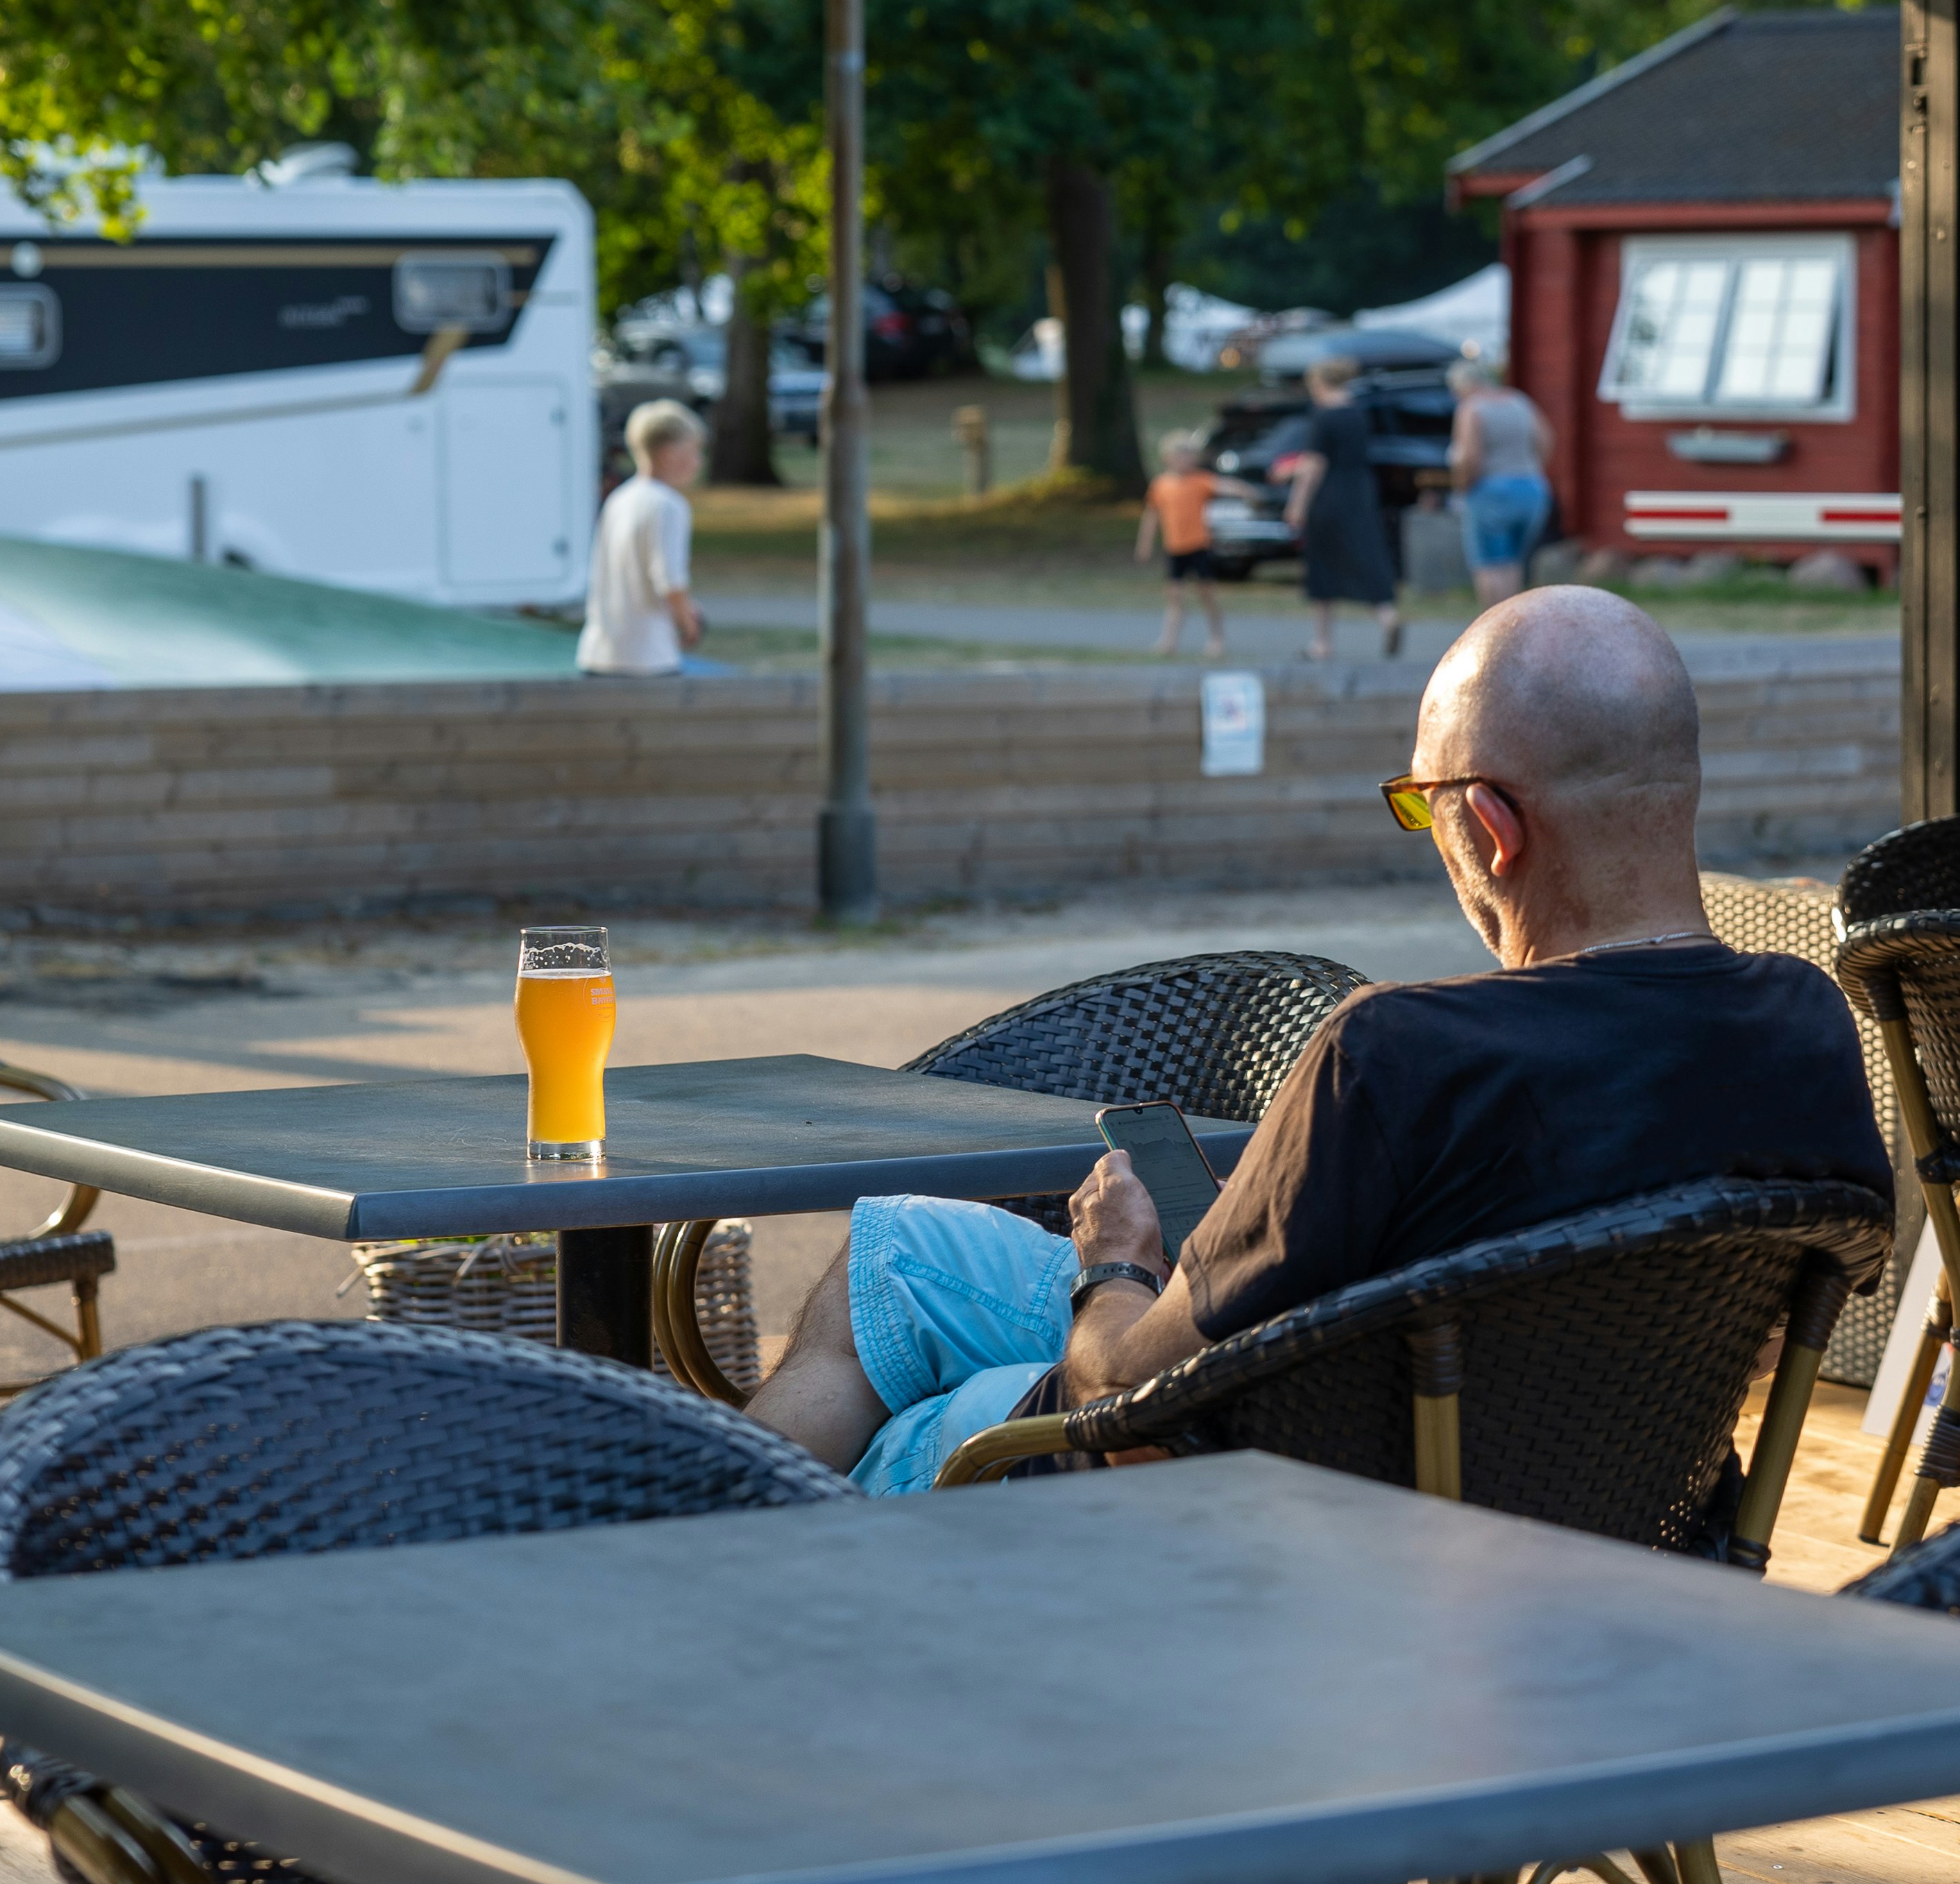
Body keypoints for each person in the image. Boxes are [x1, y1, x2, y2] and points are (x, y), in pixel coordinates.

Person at [741, 584, 1889, 1493]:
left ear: (1491, 829)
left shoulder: (1393, 1053)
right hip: (1592, 1496)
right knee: (894, 1259)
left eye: (1420, 804)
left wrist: (1120, 1260)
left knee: (942, 1406)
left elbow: (1122, 1386)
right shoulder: (1806, 1028)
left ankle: (694, 1608)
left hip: (1295, 1511)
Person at [578, 398, 705, 676]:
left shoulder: (620, 499)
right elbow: (670, 580)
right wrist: (688, 621)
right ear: (671, 454)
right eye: (694, 451)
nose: (698, 462)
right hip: (646, 657)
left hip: (599, 652)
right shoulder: (669, 506)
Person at [1285, 357, 1400, 660]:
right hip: (1360, 492)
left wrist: (1296, 505)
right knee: (1365, 553)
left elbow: (1314, 466)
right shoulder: (1359, 413)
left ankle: (1323, 643)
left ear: (1319, 383)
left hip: (1329, 496)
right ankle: (1387, 615)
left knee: (1322, 563)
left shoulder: (1323, 417)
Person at [1446, 359, 1551, 610]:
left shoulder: (1471, 409)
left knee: (1489, 564)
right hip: (1532, 488)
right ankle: (1513, 623)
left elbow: (1470, 457)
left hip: (1491, 490)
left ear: (1464, 385)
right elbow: (1546, 440)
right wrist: (1528, 467)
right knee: (1512, 563)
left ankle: (1493, 628)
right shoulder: (1520, 402)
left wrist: (1461, 488)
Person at [1135, 433, 1249, 658]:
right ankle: (1169, 641)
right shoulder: (1161, 484)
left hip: (1198, 547)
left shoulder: (1200, 480)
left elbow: (1227, 486)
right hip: (1175, 548)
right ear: (1167, 458)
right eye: (1179, 456)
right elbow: (1152, 515)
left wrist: (1249, 493)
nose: (1184, 461)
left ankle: (1217, 638)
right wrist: (1145, 544)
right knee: (1175, 597)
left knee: (1207, 594)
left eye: (1188, 456)